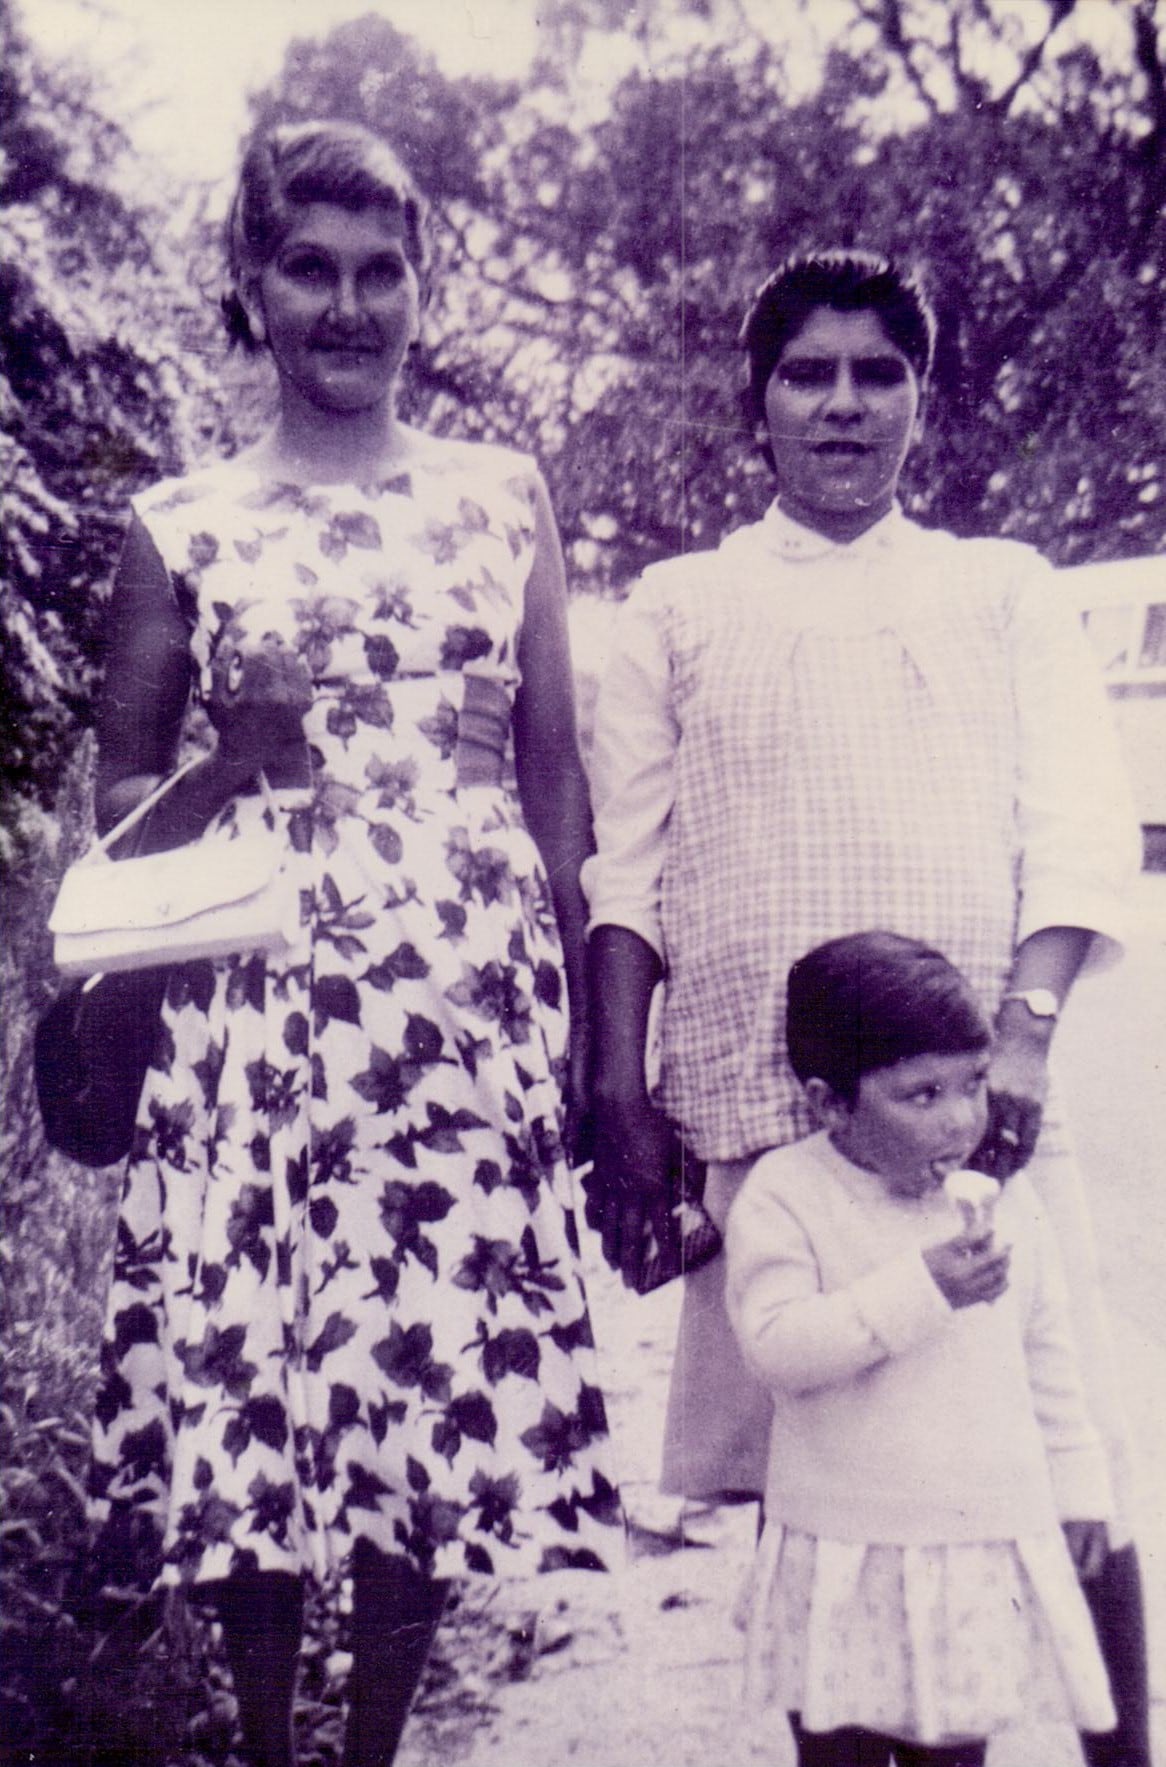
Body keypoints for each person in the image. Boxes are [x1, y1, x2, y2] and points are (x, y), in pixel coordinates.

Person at [87, 118, 620, 1767]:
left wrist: (602, 1054)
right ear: (247, 288)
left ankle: (376, 1741)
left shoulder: (498, 495)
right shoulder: (181, 523)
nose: (349, 304)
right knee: (258, 1377)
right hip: (248, 1012)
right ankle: (263, 1738)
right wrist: (224, 759)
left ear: (420, 288)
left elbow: (554, 779)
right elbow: (111, 812)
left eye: (381, 269)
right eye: (308, 268)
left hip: (460, 1003)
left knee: (429, 1382)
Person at [582, 250, 1149, 1765]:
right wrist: (622, 1094)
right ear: (754, 405)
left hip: (970, 1105)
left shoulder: (999, 589)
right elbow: (623, 867)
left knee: (1052, 1435)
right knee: (825, 1462)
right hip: (774, 1121)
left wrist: (1018, 1042)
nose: (841, 404)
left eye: (876, 371)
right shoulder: (679, 606)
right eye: (805, 373)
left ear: (920, 395)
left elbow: (1078, 827)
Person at [725, 931, 1117, 1767]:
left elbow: (1047, 1351)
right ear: (832, 1104)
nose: (961, 1118)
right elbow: (777, 1345)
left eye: (973, 1083)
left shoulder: (1000, 1200)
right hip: (842, 1550)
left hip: (964, 1554)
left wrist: (1079, 1482)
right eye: (922, 1093)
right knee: (839, 1753)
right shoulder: (790, 1194)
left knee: (956, 1752)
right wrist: (922, 1290)